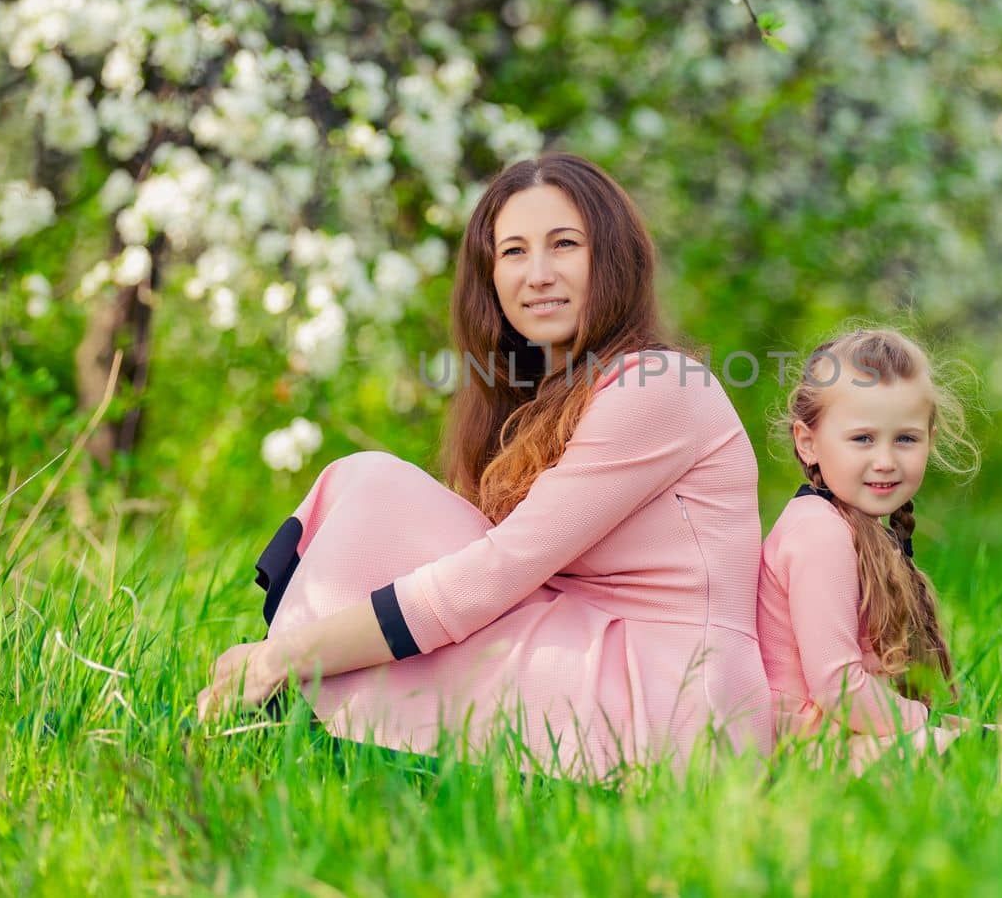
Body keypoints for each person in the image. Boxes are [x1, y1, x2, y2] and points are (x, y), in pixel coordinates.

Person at [196, 153, 772, 781]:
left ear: (613, 258)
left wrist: (289, 654)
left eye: (565, 244)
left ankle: (282, 705)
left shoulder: (660, 387)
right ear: (489, 275)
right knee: (370, 491)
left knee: (377, 486)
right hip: (594, 650)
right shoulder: (531, 397)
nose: (540, 274)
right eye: (514, 252)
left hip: (674, 701)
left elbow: (496, 573)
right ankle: (286, 725)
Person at [756, 325, 983, 773]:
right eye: (862, 439)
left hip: (840, 731)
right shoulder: (818, 533)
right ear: (809, 442)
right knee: (983, 758)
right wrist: (933, 723)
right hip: (803, 748)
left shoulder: (849, 525)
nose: (885, 460)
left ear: (929, 439)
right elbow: (837, 686)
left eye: (905, 439)